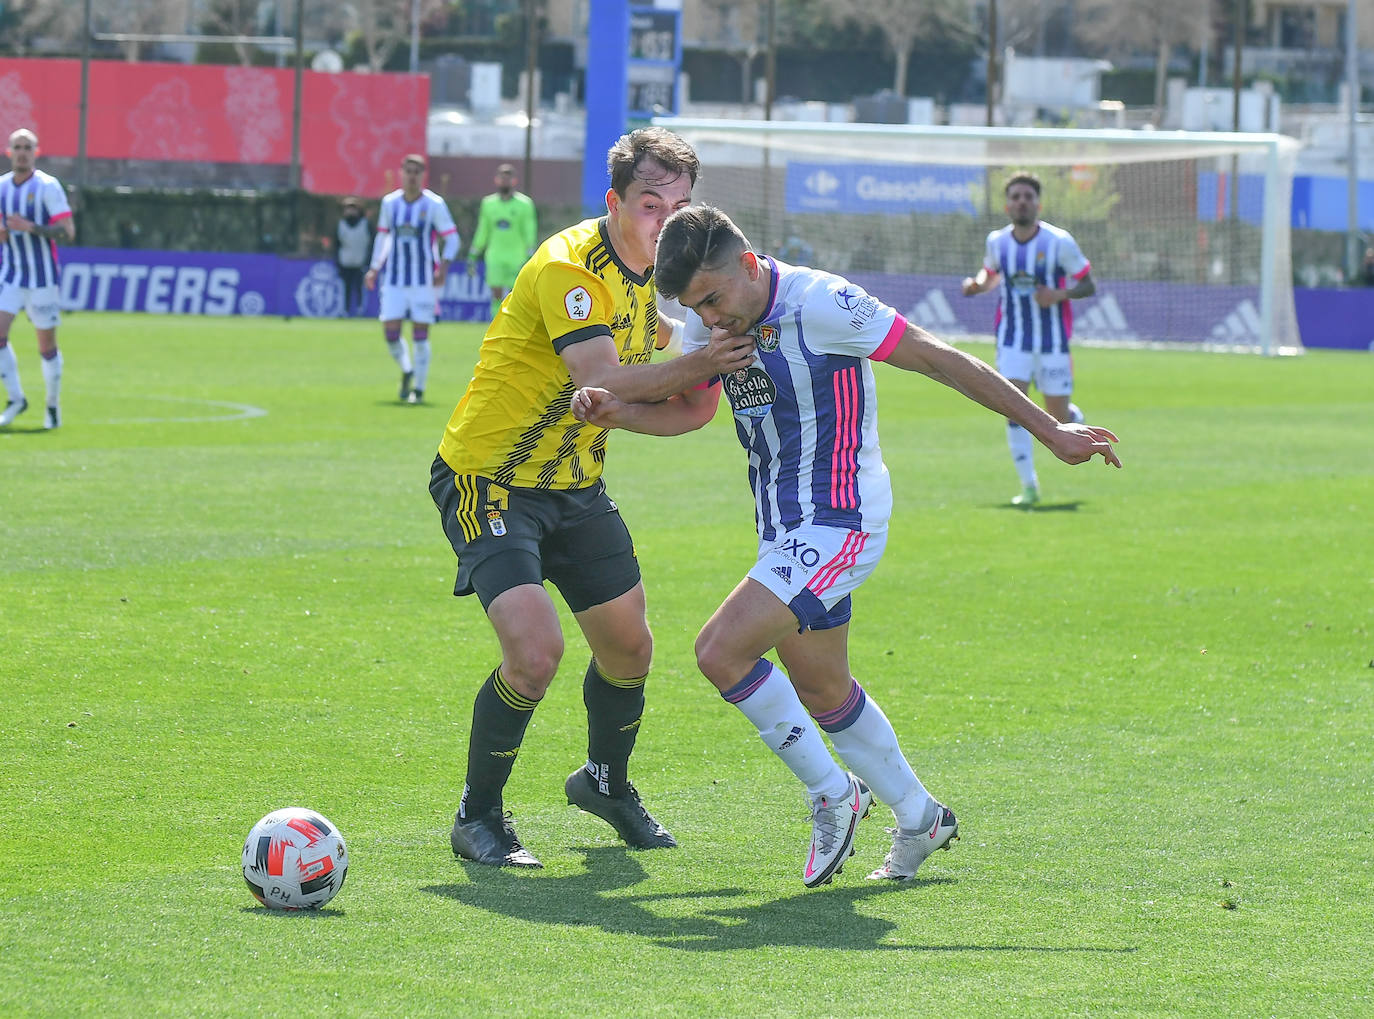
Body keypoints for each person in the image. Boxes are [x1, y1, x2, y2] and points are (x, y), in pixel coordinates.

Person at [572, 206, 1121, 886]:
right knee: (824, 686)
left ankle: (833, 792)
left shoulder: (822, 302)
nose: (709, 321)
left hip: (841, 519)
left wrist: (1052, 431)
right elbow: (690, 409)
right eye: (694, 309)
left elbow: (939, 357)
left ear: (747, 265)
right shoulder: (708, 323)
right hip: (783, 526)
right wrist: (617, 412)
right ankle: (921, 816)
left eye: (713, 301)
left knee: (720, 651)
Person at [428, 129, 756, 869]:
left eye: (680, 205)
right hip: (490, 478)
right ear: (614, 201)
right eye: (650, 202)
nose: (665, 220)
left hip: (574, 486)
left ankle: (605, 782)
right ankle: (477, 816)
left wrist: (695, 372)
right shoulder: (569, 268)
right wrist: (702, 357)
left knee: (629, 647)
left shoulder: (665, 285)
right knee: (535, 651)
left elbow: (686, 412)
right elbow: (601, 375)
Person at [961, 172, 1096, 507]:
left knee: (1059, 419)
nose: (1022, 202)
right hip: (1013, 340)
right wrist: (977, 283)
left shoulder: (1059, 242)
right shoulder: (997, 241)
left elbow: (1087, 284)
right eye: (1016, 197)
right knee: (1015, 408)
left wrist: (1059, 294)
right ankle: (1029, 486)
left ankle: (1074, 419)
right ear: (1008, 205)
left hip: (1052, 342)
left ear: (1038, 203)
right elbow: (990, 273)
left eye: (1028, 197)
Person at [365, 154, 459, 405]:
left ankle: (419, 388)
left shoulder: (434, 205)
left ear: (422, 175)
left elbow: (452, 238)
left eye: (417, 172)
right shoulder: (390, 203)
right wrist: (374, 268)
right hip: (394, 280)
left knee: (420, 335)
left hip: (423, 282)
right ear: (401, 173)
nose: (412, 176)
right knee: (391, 334)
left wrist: (444, 267)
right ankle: (407, 369)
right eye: (408, 171)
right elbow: (383, 237)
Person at [0, 128, 74, 430]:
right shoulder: (2, 187)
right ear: (8, 152)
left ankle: (52, 406)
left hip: (42, 279)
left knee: (46, 348)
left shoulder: (48, 186)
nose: (22, 152)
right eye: (17, 147)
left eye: (27, 147)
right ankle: (16, 398)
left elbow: (67, 232)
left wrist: (32, 227)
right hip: (11, 275)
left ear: (36, 153)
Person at [466, 163, 537, 320]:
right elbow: (483, 230)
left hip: (516, 257)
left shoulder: (525, 204)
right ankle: (495, 325)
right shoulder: (488, 203)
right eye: (502, 178)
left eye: (508, 178)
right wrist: (473, 253)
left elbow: (529, 231)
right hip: (495, 256)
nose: (505, 181)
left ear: (514, 181)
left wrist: (530, 254)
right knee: (496, 293)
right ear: (496, 180)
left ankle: (515, 325)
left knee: (517, 294)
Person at [334, 197, 372, 317]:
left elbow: (371, 244)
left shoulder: (365, 224)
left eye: (353, 209)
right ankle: (344, 310)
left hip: (360, 262)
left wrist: (368, 261)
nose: (350, 212)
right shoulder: (340, 225)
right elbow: (336, 245)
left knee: (360, 288)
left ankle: (360, 310)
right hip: (345, 262)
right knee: (346, 288)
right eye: (348, 209)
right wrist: (337, 262)